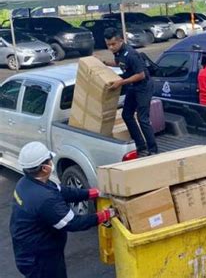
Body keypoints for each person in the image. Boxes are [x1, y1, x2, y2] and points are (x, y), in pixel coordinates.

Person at [10, 142, 116, 278]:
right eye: (49, 160)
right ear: (44, 168)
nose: (51, 162)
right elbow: (74, 223)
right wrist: (106, 214)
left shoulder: (27, 182)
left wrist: (93, 193)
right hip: (40, 259)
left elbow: (63, 192)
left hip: (31, 249)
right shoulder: (44, 199)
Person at [103, 27, 158, 157]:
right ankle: (140, 145)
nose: (111, 47)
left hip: (143, 87)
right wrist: (104, 63)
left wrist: (120, 83)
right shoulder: (118, 52)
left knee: (142, 118)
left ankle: (153, 150)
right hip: (132, 86)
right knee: (126, 115)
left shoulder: (131, 54)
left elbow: (141, 75)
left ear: (121, 40)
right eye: (108, 45)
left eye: (113, 44)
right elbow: (120, 63)